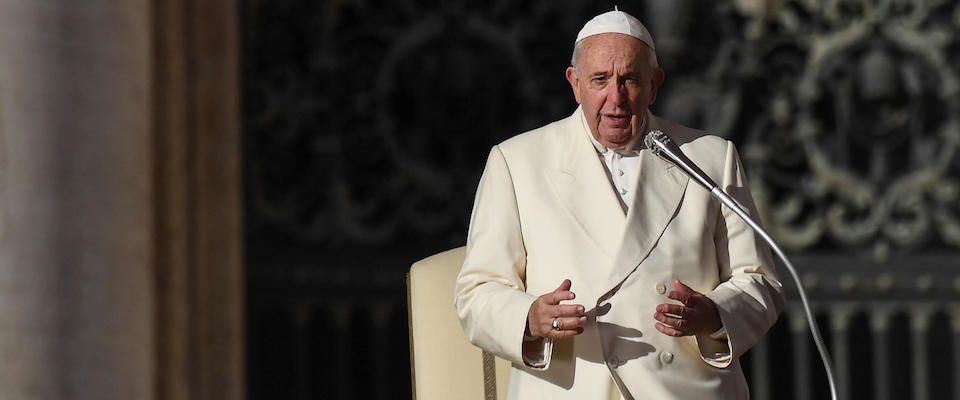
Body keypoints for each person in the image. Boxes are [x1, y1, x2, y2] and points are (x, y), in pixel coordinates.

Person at [454, 9, 785, 400]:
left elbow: (761, 281)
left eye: (629, 79)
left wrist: (713, 314)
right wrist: (530, 317)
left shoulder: (710, 157)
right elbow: (476, 292)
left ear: (654, 84)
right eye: (599, 80)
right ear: (574, 84)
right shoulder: (517, 162)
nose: (616, 98)